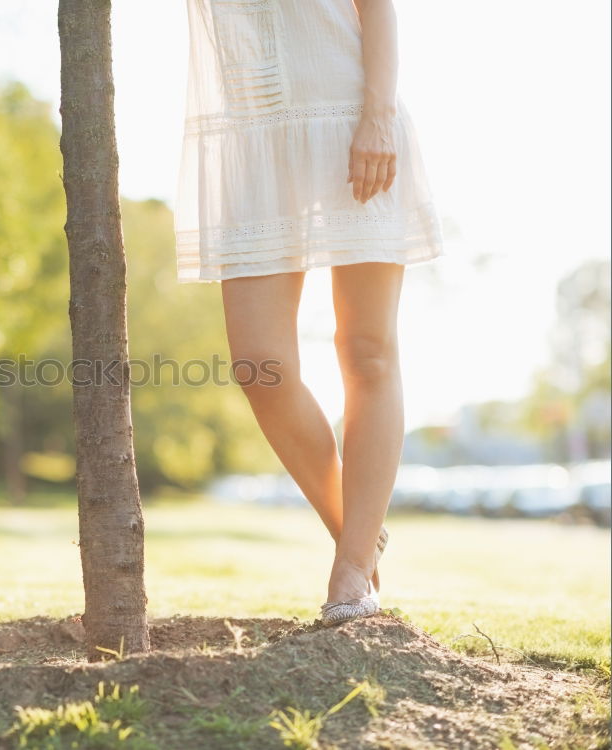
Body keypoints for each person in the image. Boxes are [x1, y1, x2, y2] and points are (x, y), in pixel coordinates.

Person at [175, 0, 445, 626]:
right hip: (252, 137)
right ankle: (358, 530)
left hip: (352, 119)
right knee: (259, 365)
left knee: (367, 349)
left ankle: (351, 569)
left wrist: (377, 115)